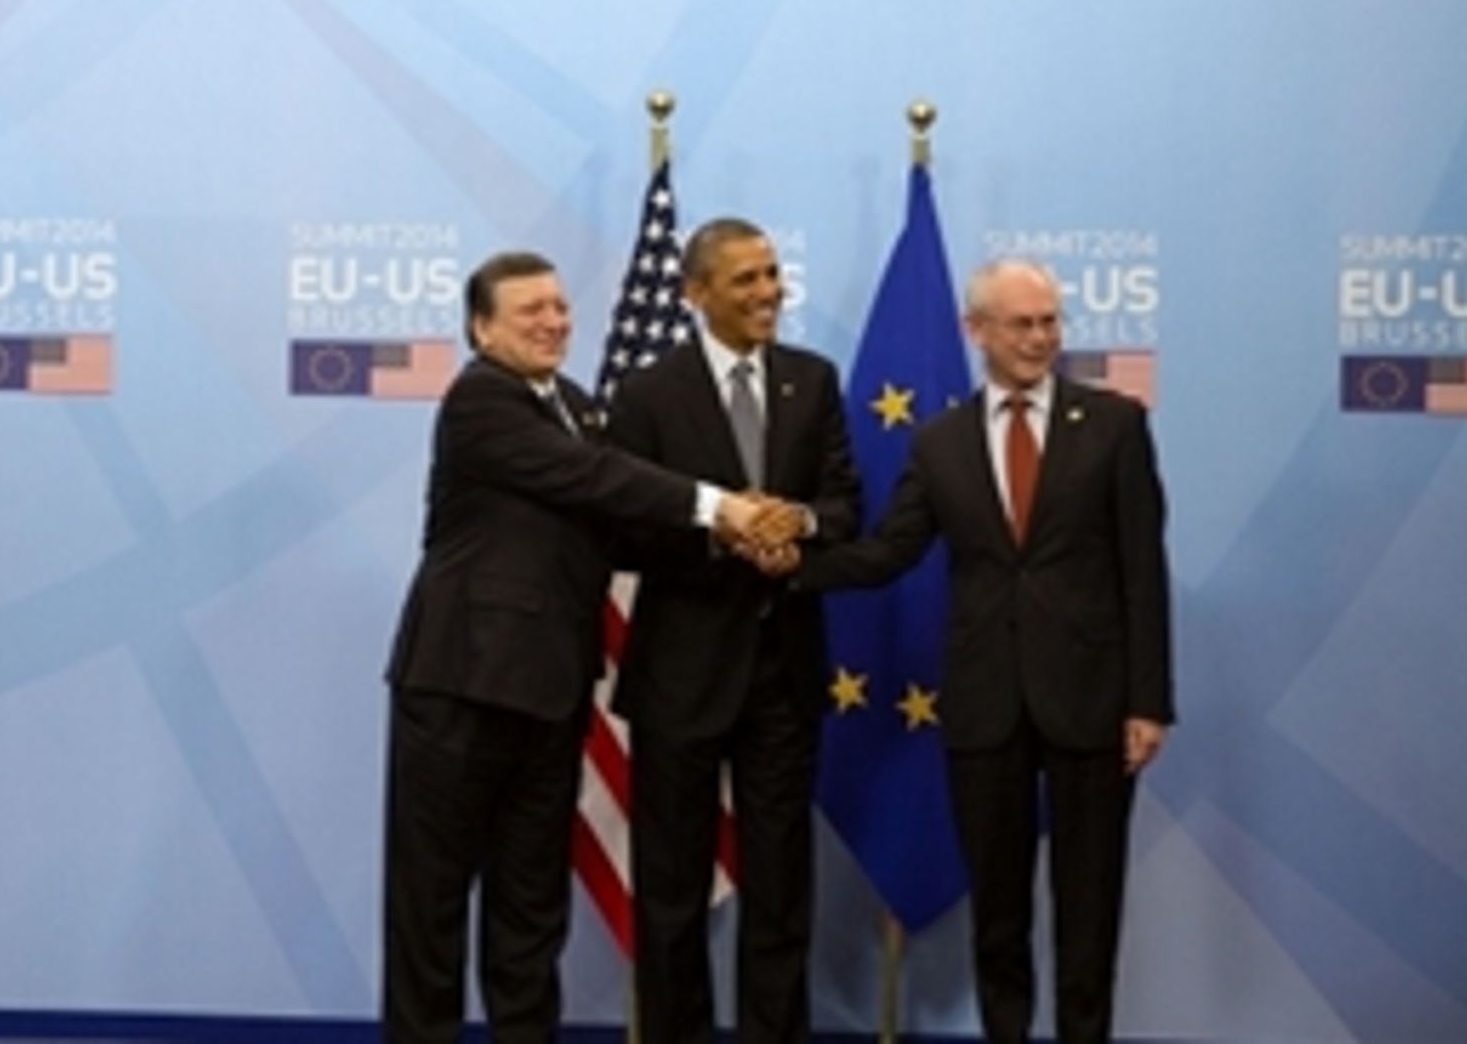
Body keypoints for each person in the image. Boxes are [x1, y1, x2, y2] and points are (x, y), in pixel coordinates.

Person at [382, 250, 774, 1044]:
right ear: (481, 328)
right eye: (530, 310)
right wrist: (719, 506)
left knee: (532, 905)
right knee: (431, 903)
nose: (553, 321)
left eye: (559, 307)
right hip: (461, 684)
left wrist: (736, 540)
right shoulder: (480, 399)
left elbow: (622, 525)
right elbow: (592, 477)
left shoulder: (575, 404)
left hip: (551, 688)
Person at [783, 258, 1174, 1044]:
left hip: (1092, 698)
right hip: (985, 701)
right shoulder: (941, 441)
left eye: (1050, 322)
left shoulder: (1113, 424)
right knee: (997, 909)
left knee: (1089, 905)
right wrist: (796, 563)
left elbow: (1142, 567)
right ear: (977, 330)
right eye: (1021, 323)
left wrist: (1148, 701)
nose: (1039, 338)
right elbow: (892, 549)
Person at [606, 218, 860, 1044]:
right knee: (671, 889)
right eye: (746, 278)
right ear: (695, 292)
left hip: (784, 671)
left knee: (781, 888)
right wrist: (722, 534)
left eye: (772, 273)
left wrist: (799, 526)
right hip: (681, 673)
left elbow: (844, 504)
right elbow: (622, 529)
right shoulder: (648, 394)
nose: (768, 292)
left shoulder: (812, 381)